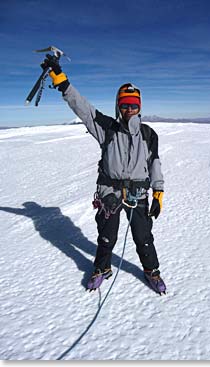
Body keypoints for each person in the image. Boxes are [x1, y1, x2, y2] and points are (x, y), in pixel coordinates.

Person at [42, 55, 166, 293]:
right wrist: (62, 82)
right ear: (118, 105)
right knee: (106, 236)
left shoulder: (149, 135)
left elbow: (155, 164)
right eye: (124, 104)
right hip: (110, 192)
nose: (129, 109)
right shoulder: (107, 128)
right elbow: (84, 109)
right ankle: (102, 268)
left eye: (133, 104)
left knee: (144, 237)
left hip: (138, 194)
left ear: (140, 106)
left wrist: (158, 192)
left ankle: (152, 271)